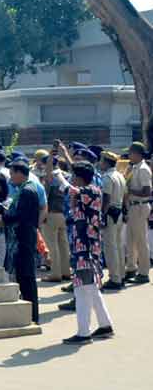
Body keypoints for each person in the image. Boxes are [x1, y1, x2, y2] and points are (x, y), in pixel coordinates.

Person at [62, 161, 114, 344]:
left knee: (81, 290)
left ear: (79, 177)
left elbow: (68, 188)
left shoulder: (88, 191)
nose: (72, 179)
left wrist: (58, 174)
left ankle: (83, 332)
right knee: (90, 288)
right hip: (85, 246)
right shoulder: (91, 190)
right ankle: (105, 325)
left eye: (74, 175)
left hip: (85, 249)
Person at [0, 162, 40, 324]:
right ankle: (29, 315)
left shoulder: (27, 191)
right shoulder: (25, 189)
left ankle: (32, 316)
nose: (11, 177)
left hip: (23, 238)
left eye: (12, 174)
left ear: (20, 173)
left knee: (26, 278)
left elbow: (20, 215)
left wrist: (4, 215)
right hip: (22, 237)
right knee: (23, 277)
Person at [123, 142, 151, 284]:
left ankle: (144, 272)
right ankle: (131, 269)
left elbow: (147, 191)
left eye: (130, 152)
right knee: (130, 240)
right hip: (134, 207)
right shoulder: (134, 168)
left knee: (141, 241)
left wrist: (129, 190)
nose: (129, 155)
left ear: (137, 153)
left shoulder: (143, 169)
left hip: (140, 206)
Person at [41, 154, 71, 283]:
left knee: (52, 246)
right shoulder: (65, 176)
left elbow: (48, 177)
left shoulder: (51, 177)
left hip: (51, 213)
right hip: (62, 213)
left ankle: (55, 273)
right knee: (63, 245)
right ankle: (66, 271)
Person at [99, 151, 127, 290]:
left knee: (110, 248)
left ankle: (114, 278)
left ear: (106, 162)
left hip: (110, 213)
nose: (100, 163)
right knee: (118, 246)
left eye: (101, 160)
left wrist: (101, 216)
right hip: (119, 212)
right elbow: (125, 196)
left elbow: (106, 199)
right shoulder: (120, 175)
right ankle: (121, 276)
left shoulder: (107, 177)